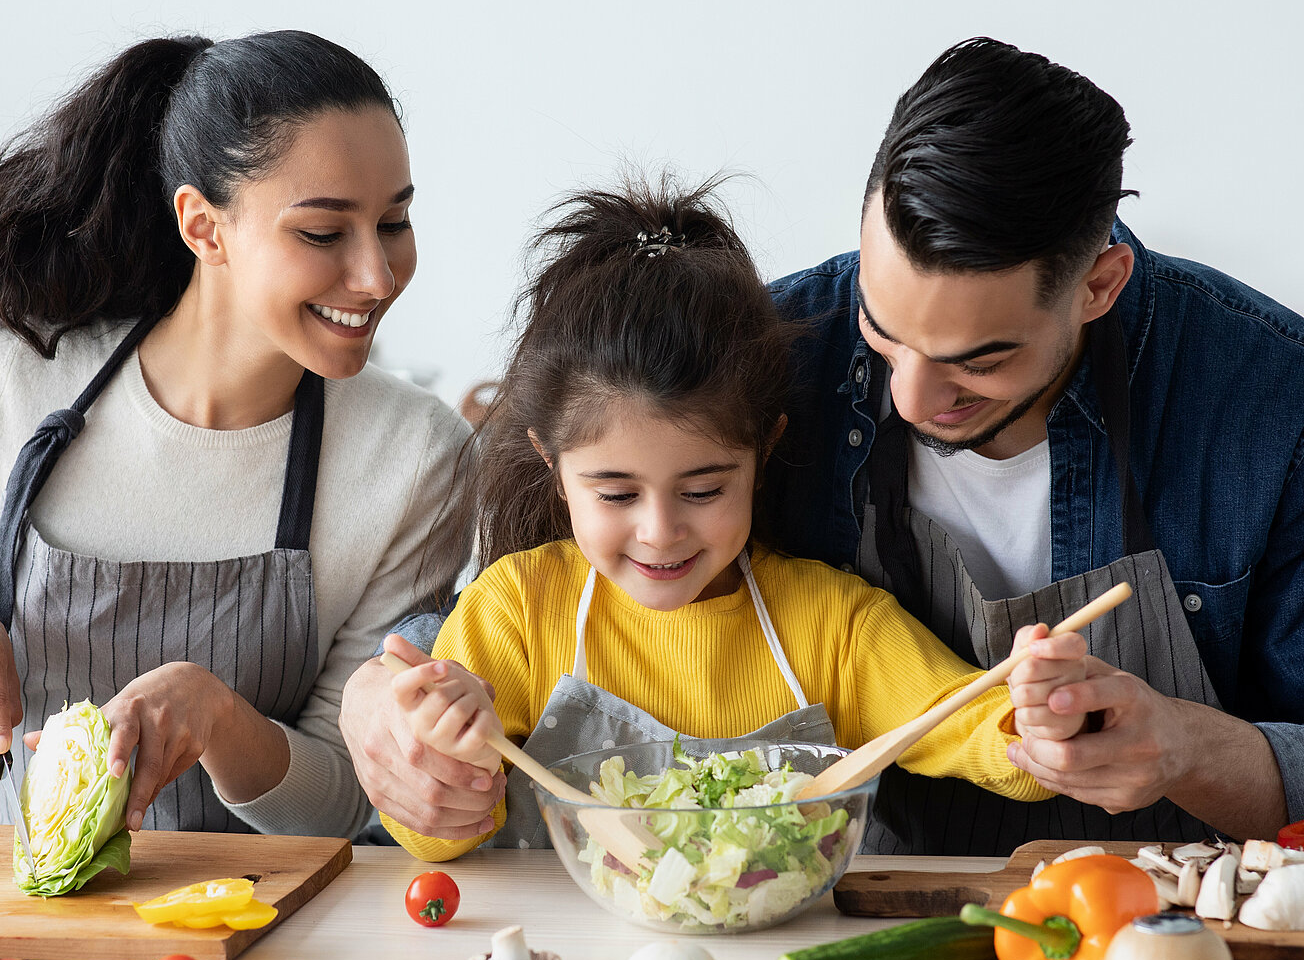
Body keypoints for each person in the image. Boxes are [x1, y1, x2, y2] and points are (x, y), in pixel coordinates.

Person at [341, 37, 1303, 855]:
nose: (911, 395)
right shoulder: (770, 349)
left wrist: (1178, 742)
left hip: (1182, 913)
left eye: (979, 359)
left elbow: (971, 715)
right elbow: (502, 617)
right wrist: (386, 700)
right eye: (884, 329)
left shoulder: (1264, 396)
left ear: (1099, 285)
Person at [0, 31, 470, 839]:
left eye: (396, 221)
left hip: (274, 932)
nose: (377, 276)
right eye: (323, 233)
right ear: (203, 227)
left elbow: (352, 799)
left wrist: (221, 719)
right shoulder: (5, 380)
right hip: (30, 921)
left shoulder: (415, 456)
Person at [377, 179, 1091, 861]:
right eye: (617, 494)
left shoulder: (830, 623)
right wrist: (448, 757)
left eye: (703, 490)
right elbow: (435, 837)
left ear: (764, 449)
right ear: (554, 468)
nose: (660, 531)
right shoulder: (516, 610)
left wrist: (1038, 712)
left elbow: (981, 734)